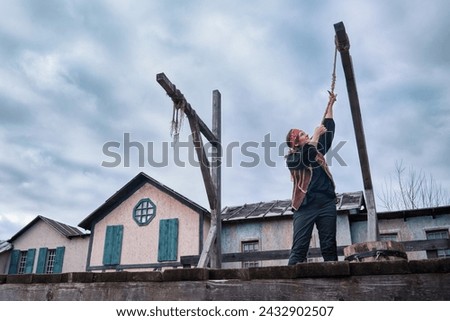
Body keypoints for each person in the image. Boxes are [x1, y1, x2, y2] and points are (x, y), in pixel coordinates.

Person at [285, 91, 337, 264]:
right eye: (302, 134)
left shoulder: (317, 149)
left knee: (329, 246)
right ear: (296, 143)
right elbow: (306, 158)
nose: (306, 134)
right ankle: (290, 287)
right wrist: (315, 136)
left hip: (326, 203)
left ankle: (336, 285)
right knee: (299, 249)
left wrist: (330, 105)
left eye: (306, 133)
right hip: (305, 206)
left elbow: (328, 130)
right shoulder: (292, 159)